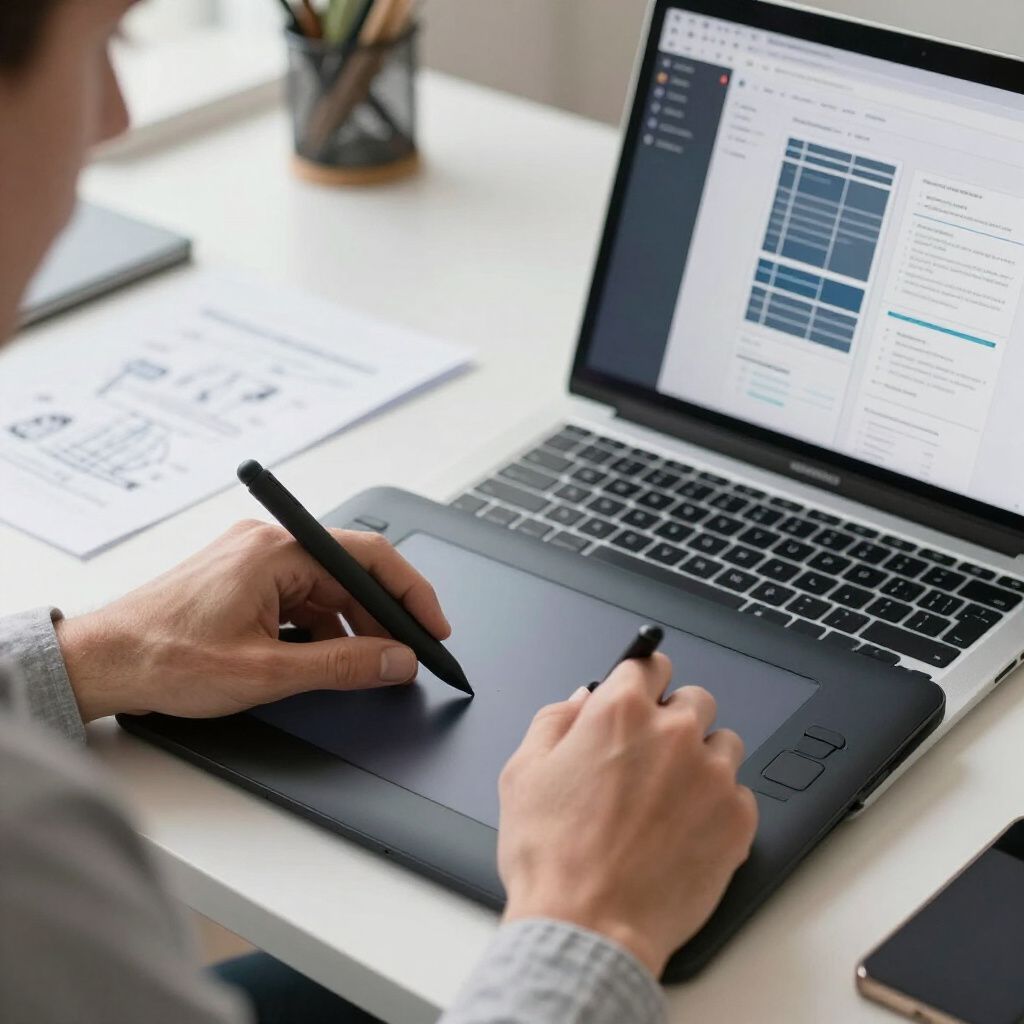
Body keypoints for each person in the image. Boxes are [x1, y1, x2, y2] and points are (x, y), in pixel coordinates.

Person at [0, 3, 759, 1023]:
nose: (115, 118)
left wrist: (86, 653)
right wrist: (591, 922)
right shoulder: (31, 844)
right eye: (103, 46)